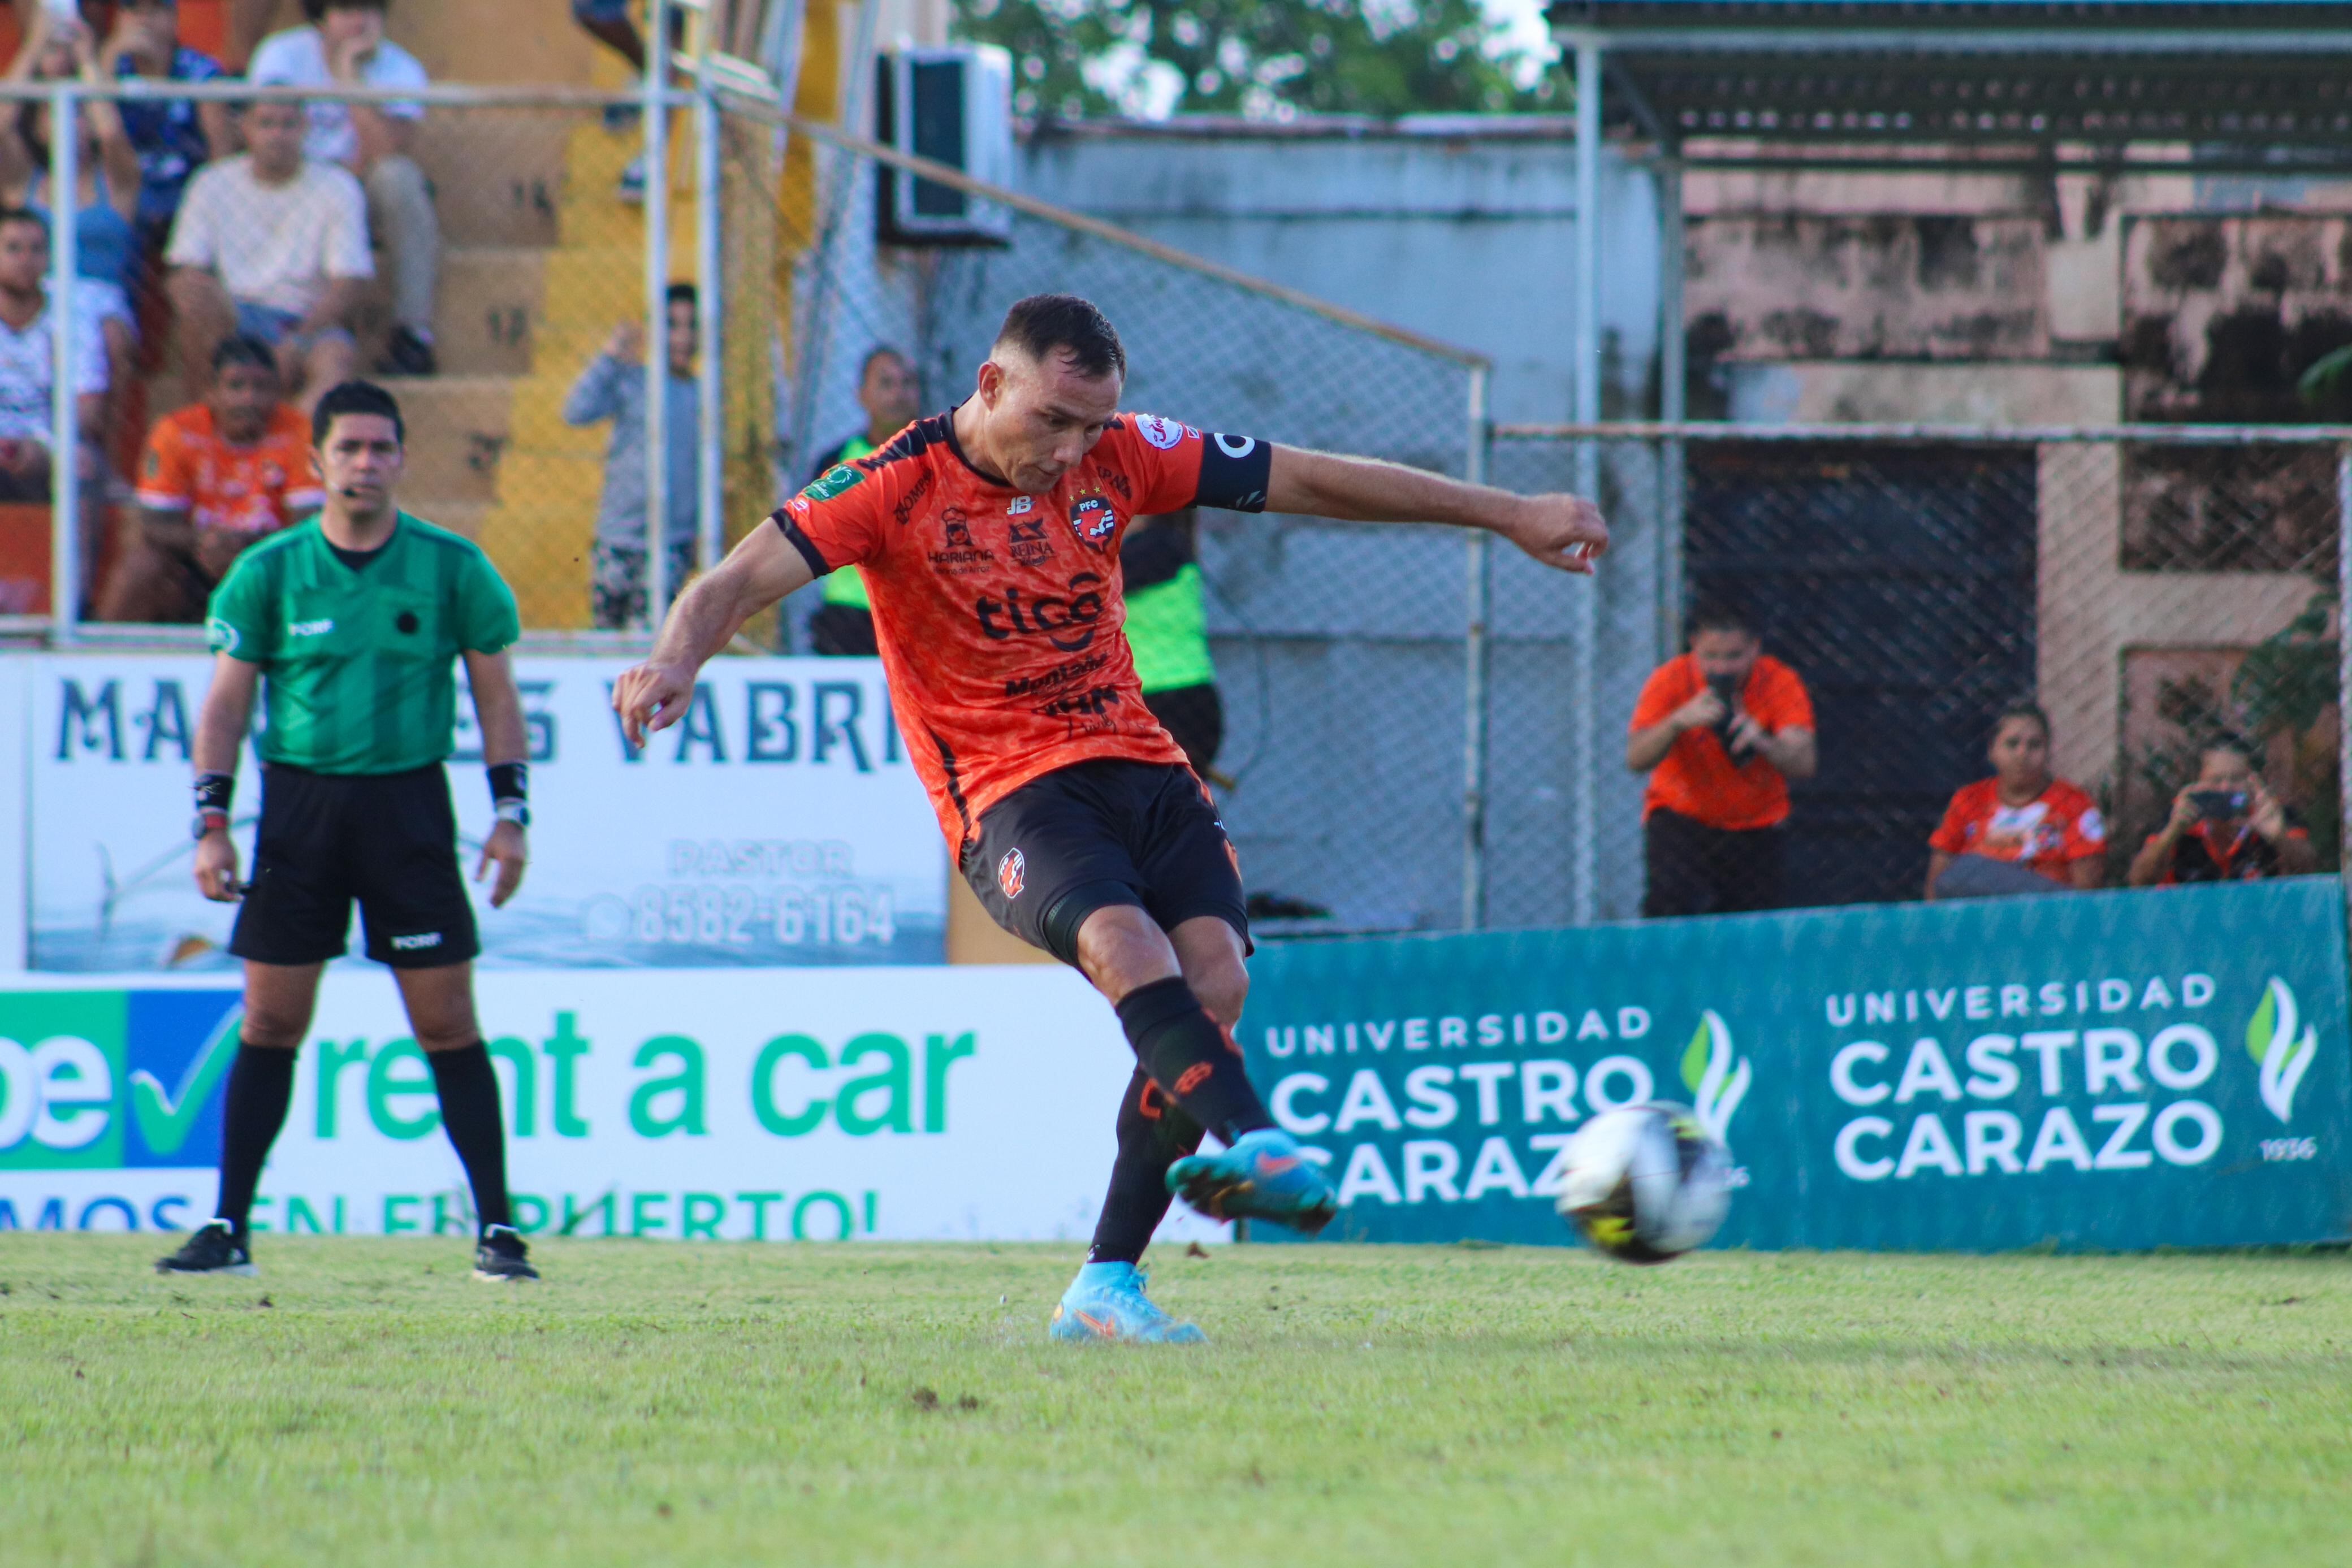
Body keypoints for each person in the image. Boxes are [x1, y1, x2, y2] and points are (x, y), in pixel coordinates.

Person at [613, 293, 1609, 1341]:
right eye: (1053, 420)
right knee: (1125, 944)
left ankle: (1106, 1286)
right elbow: (733, 581)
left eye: (1092, 426)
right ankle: (1259, 1138)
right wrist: (675, 658)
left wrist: (1508, 512)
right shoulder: (889, 485)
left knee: (1217, 980)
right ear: (991, 384)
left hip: (1143, 765)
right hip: (1010, 791)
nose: (1072, 451)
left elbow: (1310, 477)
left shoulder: (1125, 454)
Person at [154, 379, 538, 1283]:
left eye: (381, 447)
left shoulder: (453, 567)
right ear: (316, 462)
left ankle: (498, 1231)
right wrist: (211, 824)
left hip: (408, 811)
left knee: (447, 1023)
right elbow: (224, 707)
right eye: (349, 449)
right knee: (270, 1019)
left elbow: (497, 699)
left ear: (402, 459)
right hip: (301, 815)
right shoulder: (269, 572)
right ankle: (228, 1227)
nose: (366, 463)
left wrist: (511, 815)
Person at [248, 0, 439, 376]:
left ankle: (412, 334)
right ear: (321, 17)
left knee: (399, 177)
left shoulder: (400, 68)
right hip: (295, 183)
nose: (360, 21)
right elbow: (267, 137)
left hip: (361, 183)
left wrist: (349, 78)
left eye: (369, 9)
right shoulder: (281, 55)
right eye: (347, 9)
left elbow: (387, 150)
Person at [164, 96, 369, 419]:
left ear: (305, 129)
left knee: (336, 361)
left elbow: (349, 283)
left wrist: (298, 341)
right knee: (191, 293)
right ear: (245, 128)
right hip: (235, 313)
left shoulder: (338, 186)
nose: (277, 135)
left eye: (288, 124)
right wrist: (201, 298)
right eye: (266, 123)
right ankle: (208, 425)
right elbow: (185, 268)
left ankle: (295, 442)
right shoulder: (212, 182)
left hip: (306, 318)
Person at [100, 333, 321, 622]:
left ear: (278, 393)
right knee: (143, 562)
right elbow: (155, 524)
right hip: (194, 559)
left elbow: (308, 523)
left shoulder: (300, 431)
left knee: (314, 561)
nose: (249, 399)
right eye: (236, 386)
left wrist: (243, 546)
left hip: (270, 557)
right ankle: (105, 645)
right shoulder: (177, 430)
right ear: (211, 391)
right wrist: (206, 542)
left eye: (262, 387)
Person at [1, 9, 143, 444]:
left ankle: (104, 453)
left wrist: (87, 59)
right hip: (38, 293)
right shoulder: (24, 184)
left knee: (111, 339)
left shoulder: (116, 185)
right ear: (39, 126)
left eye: (79, 113)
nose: (67, 121)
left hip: (98, 297)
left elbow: (113, 136)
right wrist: (33, 47)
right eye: (55, 113)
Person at [1626, 600, 1817, 917]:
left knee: (1752, 921)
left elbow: (1804, 763)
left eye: (1734, 657)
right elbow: (1636, 759)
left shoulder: (1779, 681)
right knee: (1670, 904)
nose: (1722, 669)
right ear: (1694, 646)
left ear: (1755, 648)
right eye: (1711, 657)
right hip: (1683, 815)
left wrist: (1762, 741)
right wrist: (1676, 722)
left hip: (1756, 822)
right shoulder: (1670, 680)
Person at [561, 283, 698, 630]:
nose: (683, 338)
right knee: (607, 633)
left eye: (692, 326)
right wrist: (610, 357)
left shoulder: (703, 394)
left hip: (671, 541)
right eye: (673, 326)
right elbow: (575, 412)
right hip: (618, 536)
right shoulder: (634, 381)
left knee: (651, 635)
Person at [0, 206, 104, 593]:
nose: (26, 260)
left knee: (82, 464)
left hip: (47, 443)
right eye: (13, 249)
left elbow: (88, 408)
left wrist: (39, 445)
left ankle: (74, 603)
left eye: (37, 249)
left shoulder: (73, 313)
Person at [1925, 701, 2105, 899]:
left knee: (1969, 869)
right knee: (1963, 872)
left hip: (2048, 911)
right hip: (1978, 913)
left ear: (2048, 752)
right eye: (2012, 744)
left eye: (2034, 745)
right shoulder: (1968, 800)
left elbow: (2087, 890)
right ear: (1992, 751)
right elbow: (1937, 882)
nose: (2022, 754)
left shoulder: (2075, 803)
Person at [806, 345, 920, 656]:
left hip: (918, 611)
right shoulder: (835, 463)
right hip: (849, 614)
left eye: (907, 383)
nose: (898, 394)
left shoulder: (939, 459)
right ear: (861, 395)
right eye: (886, 383)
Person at [98, 0, 235, 250]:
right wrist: (108, 58)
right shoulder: (111, 67)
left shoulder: (200, 70)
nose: (143, 19)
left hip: (188, 191)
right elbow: (93, 134)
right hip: (129, 191)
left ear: (174, 18)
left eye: (155, 10)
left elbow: (221, 152)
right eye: (133, 10)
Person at [2126, 731, 2318, 886]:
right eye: (2216, 780)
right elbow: (2140, 881)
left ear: (2253, 782)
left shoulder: (2273, 814)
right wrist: (2171, 834)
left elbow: (2309, 870)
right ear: (2198, 784)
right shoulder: (2179, 818)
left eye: (2236, 779)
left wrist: (2279, 838)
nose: (2225, 788)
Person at [1123, 507, 1223, 778]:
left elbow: (1080, 583)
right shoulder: (1163, 545)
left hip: (1172, 701)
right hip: (1152, 699)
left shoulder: (1158, 546)